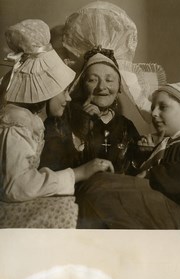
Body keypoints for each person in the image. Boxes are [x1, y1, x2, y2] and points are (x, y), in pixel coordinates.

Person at [0, 19, 113, 228]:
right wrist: (77, 174)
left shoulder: (30, 123)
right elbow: (14, 187)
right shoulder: (17, 126)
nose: (68, 99)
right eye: (64, 92)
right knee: (70, 210)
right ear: (46, 92)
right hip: (5, 213)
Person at [76, 82, 180, 229]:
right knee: (97, 185)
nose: (153, 113)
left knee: (99, 185)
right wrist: (144, 156)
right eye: (153, 107)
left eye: (163, 107)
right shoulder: (164, 145)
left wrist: (151, 174)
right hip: (162, 210)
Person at [40, 47, 143, 174]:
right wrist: (83, 125)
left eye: (109, 80)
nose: (101, 87)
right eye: (93, 80)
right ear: (82, 85)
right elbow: (52, 167)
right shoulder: (63, 118)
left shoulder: (126, 126)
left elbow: (137, 168)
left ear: (119, 88)